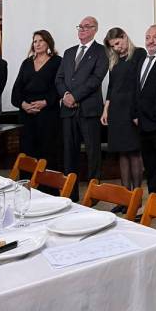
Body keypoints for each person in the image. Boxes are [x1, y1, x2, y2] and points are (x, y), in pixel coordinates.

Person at [55, 16, 108, 195]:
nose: (82, 29)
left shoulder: (101, 51)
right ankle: (71, 194)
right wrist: (66, 95)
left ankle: (94, 195)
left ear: (95, 29)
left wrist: (75, 96)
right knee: (69, 153)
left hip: (89, 110)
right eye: (80, 26)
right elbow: (59, 78)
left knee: (93, 153)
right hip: (67, 111)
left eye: (87, 26)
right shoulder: (69, 52)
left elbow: (96, 79)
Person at [101, 27, 145, 196]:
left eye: (118, 43)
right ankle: (125, 196)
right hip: (116, 110)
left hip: (131, 108)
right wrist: (106, 110)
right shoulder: (114, 60)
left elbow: (139, 84)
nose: (117, 48)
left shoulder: (139, 54)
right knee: (122, 153)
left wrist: (137, 112)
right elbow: (111, 87)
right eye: (113, 46)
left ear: (125, 37)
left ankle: (136, 196)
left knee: (134, 152)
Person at [11, 30, 62, 166]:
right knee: (27, 152)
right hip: (26, 115)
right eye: (35, 41)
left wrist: (45, 102)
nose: (37, 44)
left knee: (48, 152)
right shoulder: (26, 63)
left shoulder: (58, 61)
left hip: (48, 115)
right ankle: (27, 180)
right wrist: (24, 105)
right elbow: (16, 90)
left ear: (48, 43)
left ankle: (47, 180)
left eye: (41, 41)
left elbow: (60, 88)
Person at [133, 24, 156, 201]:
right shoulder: (142, 59)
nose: (151, 41)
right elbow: (137, 90)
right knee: (151, 169)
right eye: (148, 37)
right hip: (143, 124)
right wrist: (135, 114)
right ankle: (155, 206)